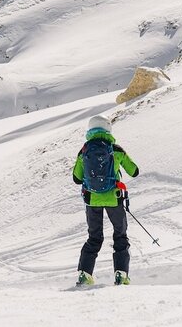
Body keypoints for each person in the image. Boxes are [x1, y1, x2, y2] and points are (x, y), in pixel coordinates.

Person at [72, 115, 140, 286]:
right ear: (108, 129)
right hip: (114, 200)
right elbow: (134, 171)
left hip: (92, 200)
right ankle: (121, 274)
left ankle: (84, 275)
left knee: (94, 238)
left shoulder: (84, 150)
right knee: (120, 235)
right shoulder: (115, 149)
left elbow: (76, 178)